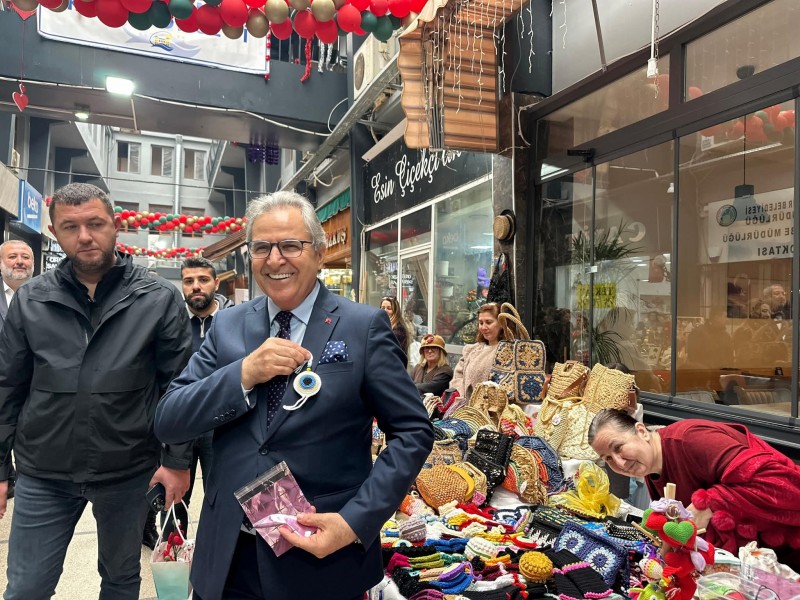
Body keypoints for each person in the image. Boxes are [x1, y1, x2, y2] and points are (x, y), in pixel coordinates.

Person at [155, 191, 433, 600]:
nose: (274, 259)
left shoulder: (363, 327)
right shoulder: (227, 327)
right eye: (261, 247)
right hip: (229, 555)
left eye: (290, 245)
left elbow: (413, 432)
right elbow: (169, 418)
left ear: (319, 253)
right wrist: (243, 374)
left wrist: (354, 522)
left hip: (320, 554)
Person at [0, 182, 193, 600]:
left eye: (95, 224)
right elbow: (7, 386)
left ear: (115, 226)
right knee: (27, 587)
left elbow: (178, 385)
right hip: (43, 472)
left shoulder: (157, 298)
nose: (85, 236)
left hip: (128, 469)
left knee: (121, 579)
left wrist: (177, 460)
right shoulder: (32, 300)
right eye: (70, 227)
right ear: (54, 231)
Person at [588, 409, 800, 569]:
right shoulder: (652, 468)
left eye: (618, 448)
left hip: (789, 554)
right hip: (756, 565)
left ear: (642, 431)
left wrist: (708, 504)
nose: (620, 463)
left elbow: (784, 484)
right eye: (608, 458)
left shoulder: (691, 439)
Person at [150, 256, 234, 544]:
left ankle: (216, 554)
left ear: (216, 283)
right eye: (189, 281)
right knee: (173, 499)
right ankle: (173, 553)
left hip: (220, 426)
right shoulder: (170, 324)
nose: (196, 286)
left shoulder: (233, 321)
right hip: (179, 423)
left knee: (219, 496)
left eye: (203, 280)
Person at [450, 302, 505, 400]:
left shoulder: (506, 351)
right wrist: (461, 397)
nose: (483, 327)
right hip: (465, 406)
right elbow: (458, 376)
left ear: (501, 323)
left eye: (488, 322)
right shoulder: (470, 350)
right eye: (481, 323)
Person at [0, 240, 34, 331]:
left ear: (33, 263)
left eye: (25, 257)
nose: (20, 261)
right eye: (12, 257)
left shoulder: (46, 294)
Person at [380, 295, 412, 360]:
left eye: (389, 308)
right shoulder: (384, 325)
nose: (385, 311)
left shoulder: (399, 329)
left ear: (395, 310)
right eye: (383, 308)